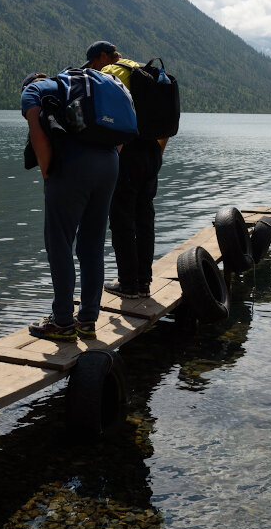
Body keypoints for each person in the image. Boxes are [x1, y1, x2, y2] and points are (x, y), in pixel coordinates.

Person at [22, 68, 119, 342]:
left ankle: (63, 321)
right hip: (109, 163)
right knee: (92, 245)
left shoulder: (32, 92)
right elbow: (117, 138)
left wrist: (50, 176)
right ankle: (87, 320)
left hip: (73, 166)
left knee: (59, 242)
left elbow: (38, 136)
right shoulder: (77, 90)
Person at [83, 41, 168, 300]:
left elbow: (102, 120)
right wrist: (156, 153)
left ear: (101, 57)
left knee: (121, 221)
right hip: (152, 153)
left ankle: (128, 284)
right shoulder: (145, 71)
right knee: (145, 219)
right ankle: (143, 283)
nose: (93, 69)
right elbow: (165, 121)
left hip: (127, 155)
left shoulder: (109, 74)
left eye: (93, 63)